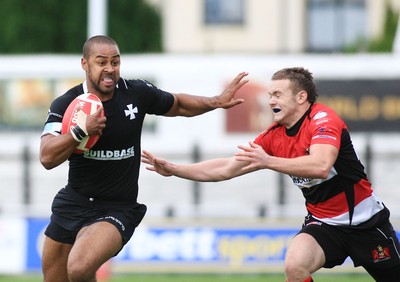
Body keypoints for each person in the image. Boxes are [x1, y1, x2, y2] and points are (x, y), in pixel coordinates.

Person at [142, 67, 400, 282]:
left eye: (277, 94)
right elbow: (226, 168)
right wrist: (175, 170)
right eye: (269, 94)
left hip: (367, 224)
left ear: (301, 97)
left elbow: (320, 165)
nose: (270, 101)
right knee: (294, 266)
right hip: (324, 225)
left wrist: (268, 161)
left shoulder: (323, 119)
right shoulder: (273, 136)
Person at [39, 35, 248, 282]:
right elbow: (47, 157)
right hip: (74, 202)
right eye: (101, 62)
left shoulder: (135, 92)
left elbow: (178, 104)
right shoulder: (66, 103)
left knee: (79, 267)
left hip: (117, 207)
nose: (110, 69)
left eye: (115, 62)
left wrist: (214, 102)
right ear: (85, 64)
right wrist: (80, 131)